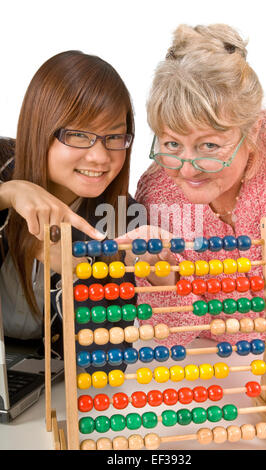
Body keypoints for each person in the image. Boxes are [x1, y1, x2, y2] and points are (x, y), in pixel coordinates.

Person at [123, 23, 266, 346]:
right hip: (212, 361)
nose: (187, 167)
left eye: (209, 146)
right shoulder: (158, 191)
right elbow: (175, 333)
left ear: (254, 130)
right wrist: (162, 272)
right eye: (172, 144)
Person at [0, 50, 138, 372]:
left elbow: (107, 365)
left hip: (46, 394)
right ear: (41, 127)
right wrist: (6, 194)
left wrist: (79, 276)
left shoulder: (122, 217)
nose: (100, 157)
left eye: (114, 136)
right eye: (79, 134)